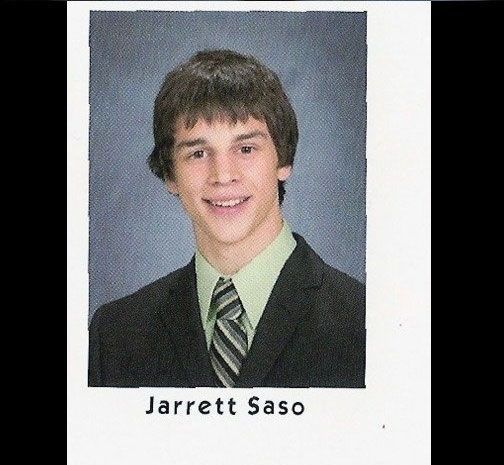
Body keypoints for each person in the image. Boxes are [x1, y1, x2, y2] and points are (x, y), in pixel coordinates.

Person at [88, 49, 365, 388]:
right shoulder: (114, 336)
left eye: (245, 149)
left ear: (283, 160)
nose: (222, 175)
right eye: (198, 153)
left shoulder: (366, 323)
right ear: (170, 175)